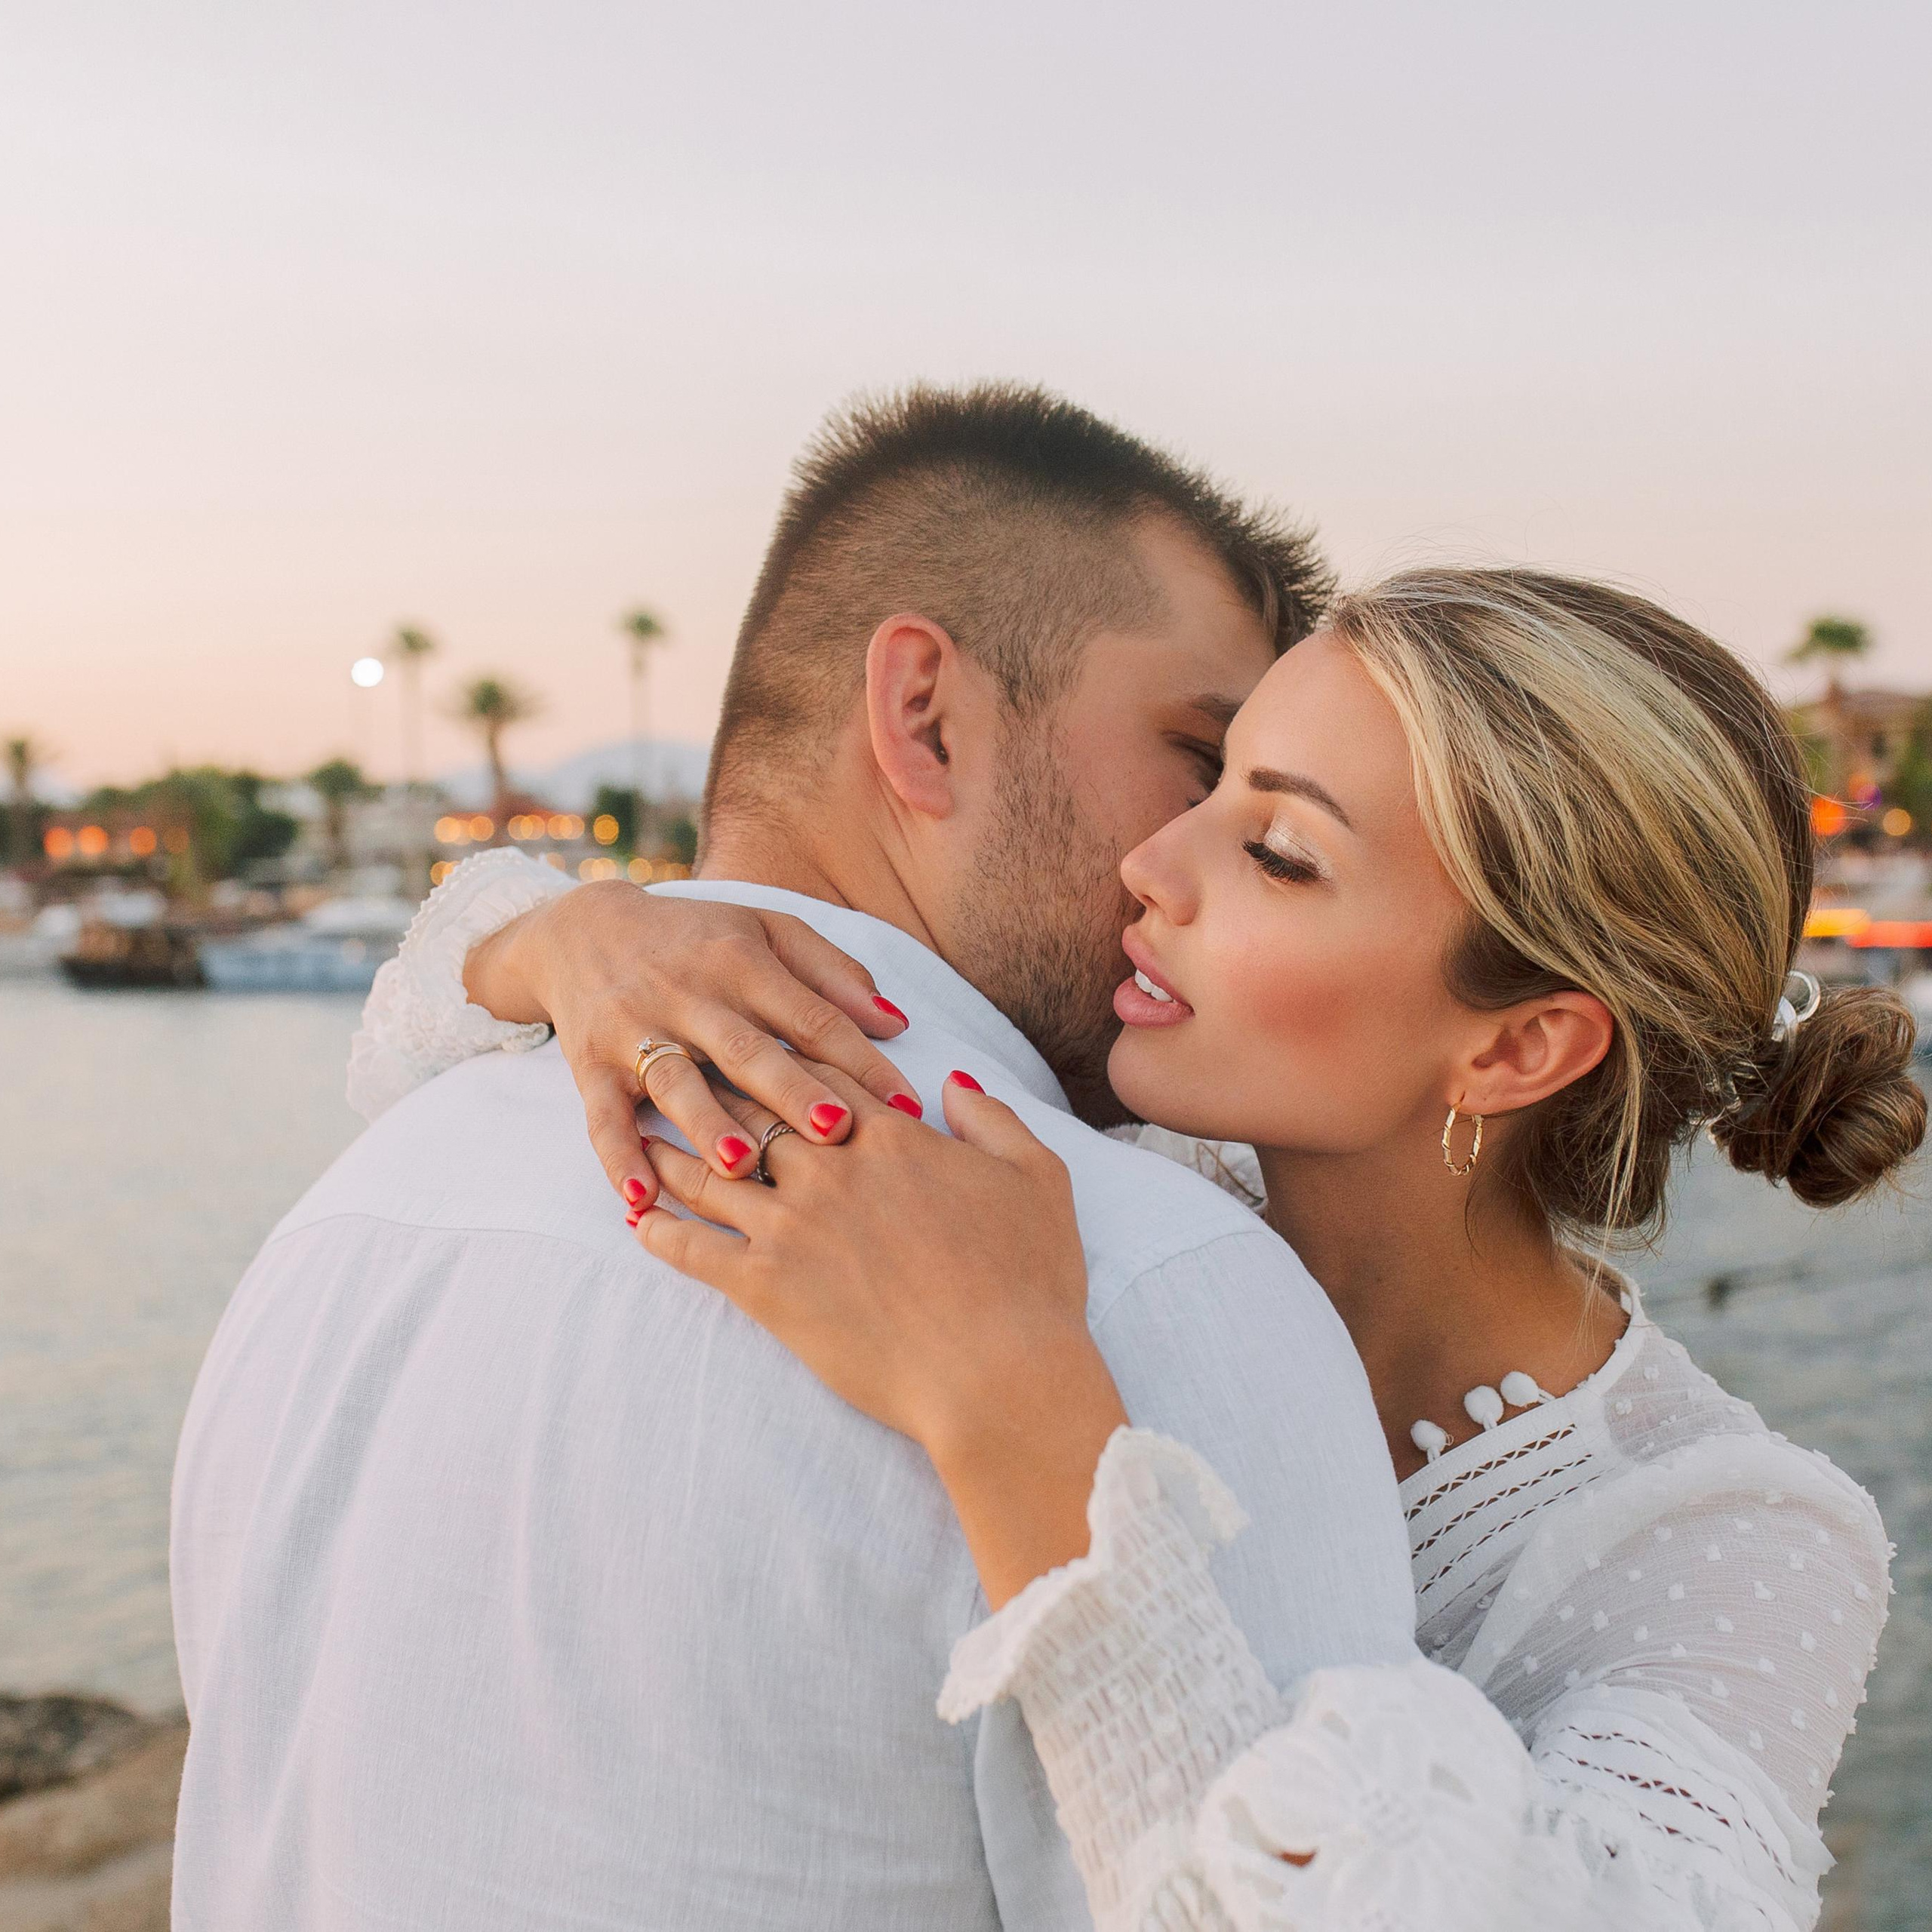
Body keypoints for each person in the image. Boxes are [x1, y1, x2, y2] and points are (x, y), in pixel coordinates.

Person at [365, 570, 1917, 1930]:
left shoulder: (1729, 1533)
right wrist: (586, 943)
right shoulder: (1087, 1165)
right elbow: (408, 1061)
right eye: (1212, 783)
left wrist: (1011, 1403)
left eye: (1278, 852)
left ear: (1518, 1046)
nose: (1149, 867)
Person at [169, 383, 1420, 1932]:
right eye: (1194, 754)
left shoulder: (355, 1208)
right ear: (922, 713)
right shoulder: (1150, 1283)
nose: (1189, 862)